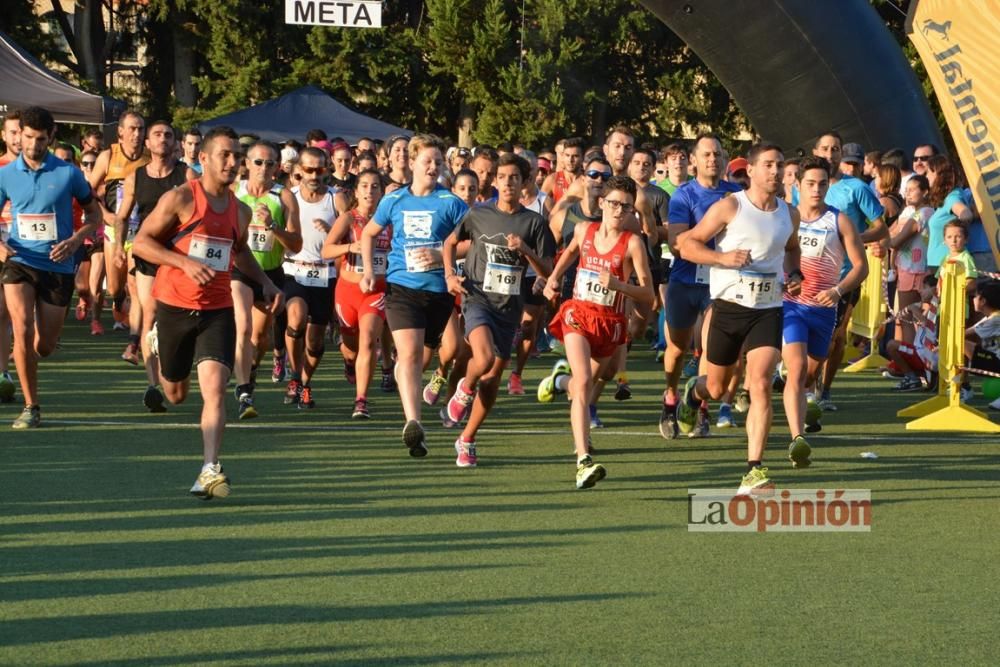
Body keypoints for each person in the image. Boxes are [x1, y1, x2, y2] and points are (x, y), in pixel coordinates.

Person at [132, 126, 283, 499]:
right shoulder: (181, 198)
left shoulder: (241, 211)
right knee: (176, 393)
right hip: (174, 305)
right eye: (225, 155)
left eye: (237, 157)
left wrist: (266, 282)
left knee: (215, 390)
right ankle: (157, 342)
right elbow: (142, 243)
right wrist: (182, 264)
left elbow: (241, 250)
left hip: (217, 309)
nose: (233, 163)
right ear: (204, 159)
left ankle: (209, 468)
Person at [677, 142, 802, 495]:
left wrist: (794, 275)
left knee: (760, 383)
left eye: (780, 165)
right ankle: (693, 391)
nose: (775, 172)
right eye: (768, 165)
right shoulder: (730, 206)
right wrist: (723, 258)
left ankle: (754, 469)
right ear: (751, 169)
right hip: (729, 307)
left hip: (768, 308)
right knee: (716, 389)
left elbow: (792, 250)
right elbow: (687, 245)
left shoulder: (789, 214)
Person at [539, 175, 654, 488]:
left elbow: (649, 294)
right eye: (614, 203)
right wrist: (553, 278)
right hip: (578, 314)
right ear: (602, 203)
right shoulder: (583, 229)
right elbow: (571, 252)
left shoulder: (632, 244)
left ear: (632, 211)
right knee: (587, 381)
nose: (619, 211)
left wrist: (618, 285)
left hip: (610, 322)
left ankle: (560, 381)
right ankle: (582, 460)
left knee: (588, 384)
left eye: (626, 207)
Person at [442, 153, 554, 466]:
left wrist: (526, 250)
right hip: (477, 298)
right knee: (484, 358)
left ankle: (467, 439)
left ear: (525, 182)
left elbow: (547, 270)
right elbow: (450, 243)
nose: (507, 183)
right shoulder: (478, 213)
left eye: (514, 178)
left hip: (510, 307)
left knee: (491, 380)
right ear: (494, 181)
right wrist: (450, 274)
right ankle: (464, 388)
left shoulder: (535, 223)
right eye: (502, 177)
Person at [360, 134, 468, 457]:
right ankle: (414, 425)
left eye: (438, 161)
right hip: (401, 288)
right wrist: (368, 271)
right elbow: (368, 233)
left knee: (422, 359)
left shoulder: (451, 203)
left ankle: (405, 380)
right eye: (427, 161)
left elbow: (473, 242)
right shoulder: (394, 201)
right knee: (407, 355)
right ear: (412, 162)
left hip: (439, 293)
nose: (433, 167)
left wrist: (440, 257)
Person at [0, 106, 103, 428]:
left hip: (58, 265)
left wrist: (75, 241)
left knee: (43, 346)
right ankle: (32, 407)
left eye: (39, 139)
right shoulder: (5, 174)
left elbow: (95, 217)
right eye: (27, 137)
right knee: (21, 327)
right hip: (19, 260)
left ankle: (30, 357)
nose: (31, 145)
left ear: (51, 137)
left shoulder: (68, 173)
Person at [781, 157, 866, 465]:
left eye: (822, 184)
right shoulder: (784, 217)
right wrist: (784, 279)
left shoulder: (839, 220)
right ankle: (797, 439)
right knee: (798, 371)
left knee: (809, 375)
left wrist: (838, 290)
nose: (816, 190)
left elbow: (861, 267)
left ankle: (797, 396)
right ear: (797, 185)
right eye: (810, 184)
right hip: (790, 305)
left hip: (824, 308)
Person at [659, 134, 742, 439]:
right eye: (707, 154)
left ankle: (699, 407)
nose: (713, 159)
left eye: (718, 154)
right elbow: (677, 243)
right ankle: (669, 397)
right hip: (684, 280)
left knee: (710, 347)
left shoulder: (737, 194)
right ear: (694, 160)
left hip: (719, 286)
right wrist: (714, 227)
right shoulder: (684, 195)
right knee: (677, 349)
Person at [111, 121, 195, 411]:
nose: (163, 139)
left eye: (168, 135)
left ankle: (173, 369)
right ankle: (153, 385)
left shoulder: (185, 174)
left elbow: (198, 213)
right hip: (146, 252)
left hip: (178, 255)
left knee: (175, 317)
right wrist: (120, 249)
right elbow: (122, 216)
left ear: (176, 143)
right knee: (149, 313)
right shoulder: (136, 177)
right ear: (147, 143)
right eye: (157, 135)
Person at [231, 141, 302, 419]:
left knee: (260, 338)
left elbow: (296, 244)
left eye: (271, 163)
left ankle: (250, 370)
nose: (264, 168)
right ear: (246, 164)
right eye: (258, 162)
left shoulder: (283, 197)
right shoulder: (234, 192)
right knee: (243, 326)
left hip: (270, 274)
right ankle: (244, 390)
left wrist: (273, 226)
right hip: (238, 271)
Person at [817, 138, 887, 411]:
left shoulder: (856, 188)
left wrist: (853, 238)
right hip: (811, 273)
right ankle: (806, 383)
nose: (831, 155)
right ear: (817, 153)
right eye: (826, 149)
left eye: (836, 150)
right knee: (811, 334)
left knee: (835, 337)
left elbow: (881, 229)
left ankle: (824, 389)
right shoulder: (804, 187)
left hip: (845, 275)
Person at [323, 169, 387, 419]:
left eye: (375, 187)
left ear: (381, 192)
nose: (369, 191)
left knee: (369, 340)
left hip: (375, 291)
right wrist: (351, 246)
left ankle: (361, 400)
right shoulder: (349, 219)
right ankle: (349, 361)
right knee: (351, 346)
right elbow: (326, 251)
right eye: (365, 186)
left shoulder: (389, 221)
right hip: (348, 291)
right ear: (356, 191)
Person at [282, 146, 337, 409]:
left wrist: (332, 230)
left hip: (325, 273)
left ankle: (304, 382)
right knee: (296, 317)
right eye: (309, 170)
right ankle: (293, 375)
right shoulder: (288, 197)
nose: (314, 175)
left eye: (320, 169)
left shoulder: (336, 199)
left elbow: (349, 236)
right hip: (294, 269)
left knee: (315, 342)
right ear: (298, 171)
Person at [88, 111, 149, 335]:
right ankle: (118, 301)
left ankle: (137, 336)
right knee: (114, 287)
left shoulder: (149, 157)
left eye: (141, 129)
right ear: (120, 132)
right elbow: (88, 192)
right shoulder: (108, 157)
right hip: (114, 230)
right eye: (132, 128)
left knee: (135, 284)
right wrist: (105, 215)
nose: (137, 134)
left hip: (140, 230)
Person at [890, 174, 932, 345]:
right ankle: (917, 357)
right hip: (922, 269)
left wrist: (879, 239)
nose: (908, 194)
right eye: (906, 190)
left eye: (913, 190)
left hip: (911, 270)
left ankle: (911, 358)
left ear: (925, 192)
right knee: (921, 318)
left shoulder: (920, 215)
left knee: (907, 317)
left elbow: (896, 241)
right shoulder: (929, 212)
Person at [0, 110, 22, 403]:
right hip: (1, 245)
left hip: (29, 251)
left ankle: (5, 370)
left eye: (22, 132)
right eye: (13, 132)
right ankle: (3, 371)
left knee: (11, 316)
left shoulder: (42, 169)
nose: (18, 138)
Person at [925, 155, 974, 273]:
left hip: (946, 263)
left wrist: (953, 232)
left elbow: (966, 214)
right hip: (940, 262)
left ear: (938, 174)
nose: (926, 176)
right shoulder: (949, 196)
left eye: (929, 172)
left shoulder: (952, 197)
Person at [965, 280, 1000, 410]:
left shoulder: (994, 320)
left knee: (960, 343)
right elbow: (968, 331)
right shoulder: (992, 316)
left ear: (983, 301)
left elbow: (961, 335)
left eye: (975, 296)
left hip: (997, 362)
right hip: (995, 359)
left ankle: (963, 386)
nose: (973, 299)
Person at [541, 137, 583, 204]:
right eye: (567, 155)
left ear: (582, 158)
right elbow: (540, 207)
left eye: (575, 156)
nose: (570, 160)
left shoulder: (587, 181)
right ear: (563, 157)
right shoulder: (552, 179)